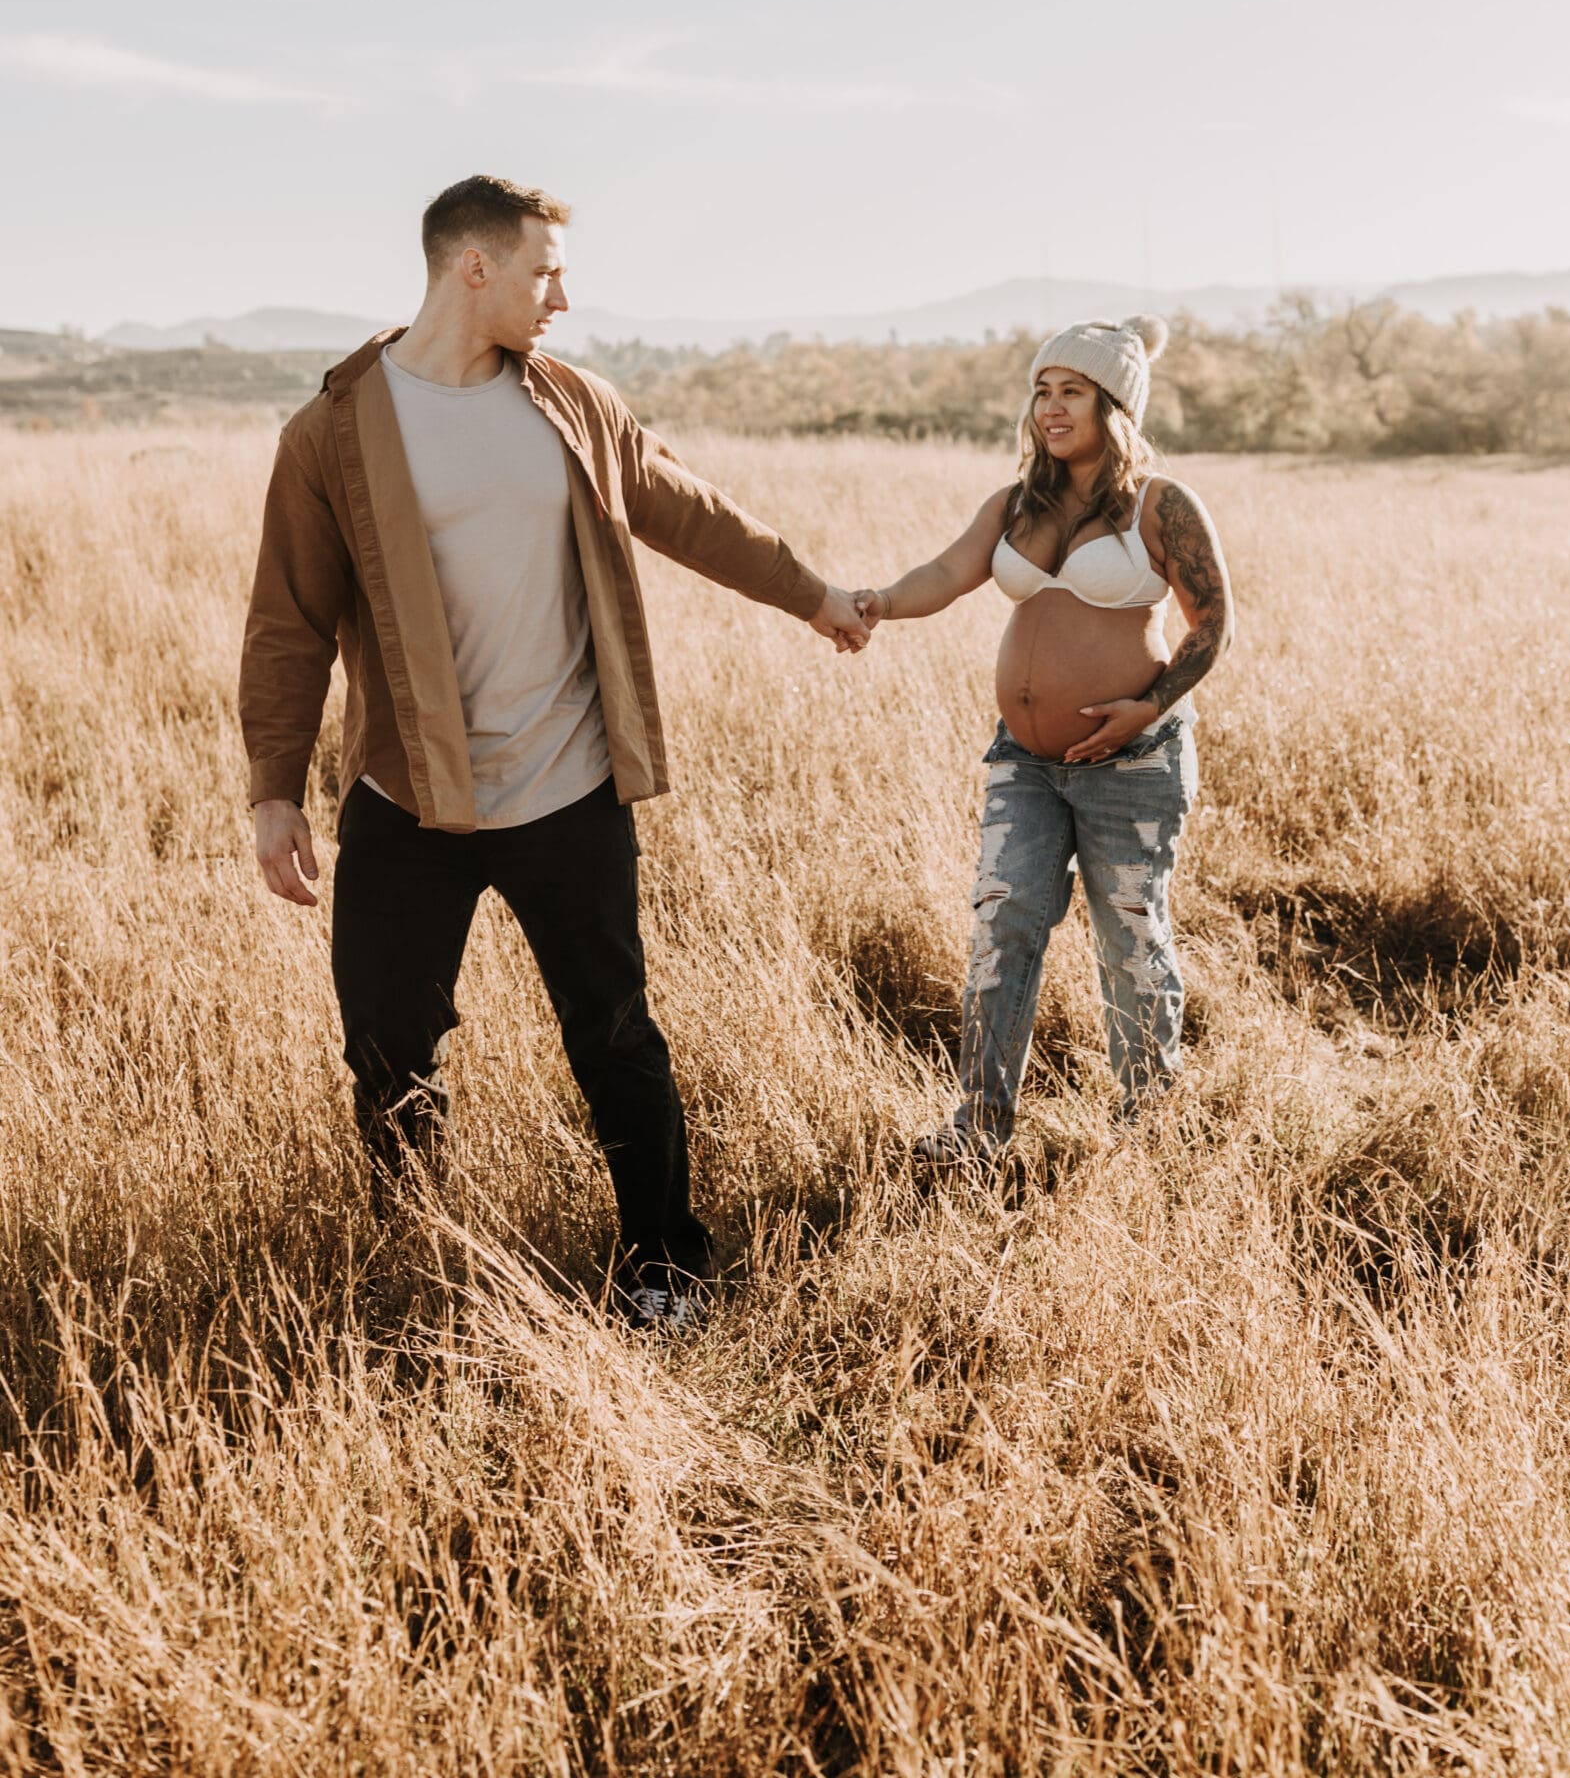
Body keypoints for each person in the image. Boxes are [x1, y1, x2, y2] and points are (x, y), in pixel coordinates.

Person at [240, 175, 871, 1329]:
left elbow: (691, 508)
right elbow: (287, 617)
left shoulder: (571, 402)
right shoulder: (333, 430)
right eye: (545, 271)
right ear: (471, 267)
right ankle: (423, 1252)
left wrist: (813, 593)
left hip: (570, 787)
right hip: (410, 794)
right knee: (386, 1045)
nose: (563, 297)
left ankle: (665, 1261)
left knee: (614, 1029)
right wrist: (274, 791)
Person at [853, 315, 1233, 1161]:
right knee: (1002, 921)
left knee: (1129, 935)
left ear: (1114, 406)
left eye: (1072, 393)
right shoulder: (1016, 502)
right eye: (1041, 392)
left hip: (1130, 763)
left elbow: (1214, 624)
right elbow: (947, 574)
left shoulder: (1159, 505)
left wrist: (1151, 706)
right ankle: (977, 1131)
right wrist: (877, 601)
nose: (1051, 409)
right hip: (1022, 762)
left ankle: (1148, 1128)